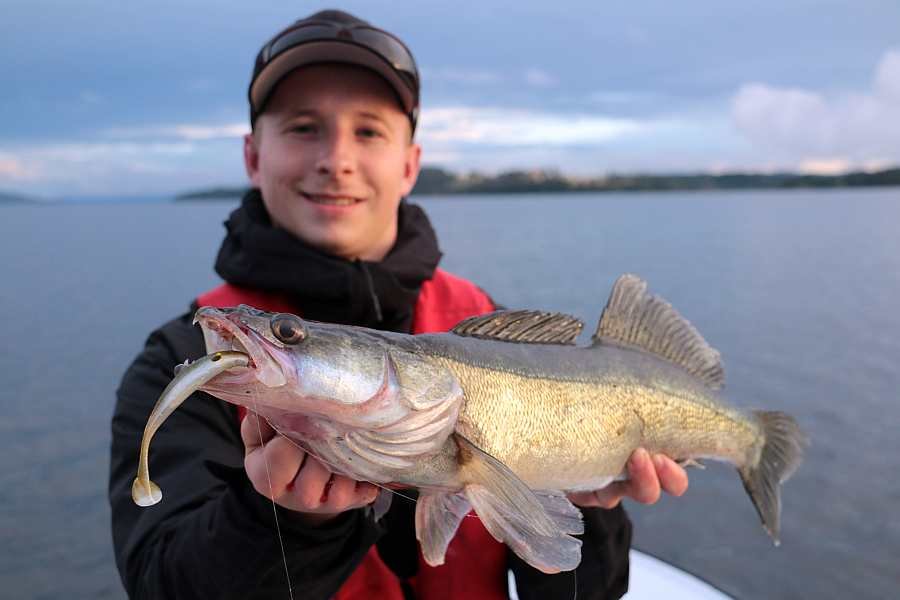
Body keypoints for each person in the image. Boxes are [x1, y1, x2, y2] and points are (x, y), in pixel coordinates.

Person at [108, 9, 688, 600]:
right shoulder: (180, 359)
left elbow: (589, 594)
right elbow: (161, 585)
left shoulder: (489, 333)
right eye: (304, 127)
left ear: (410, 164)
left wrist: (589, 501)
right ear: (253, 156)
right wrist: (289, 523)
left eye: (368, 132)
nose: (337, 159)